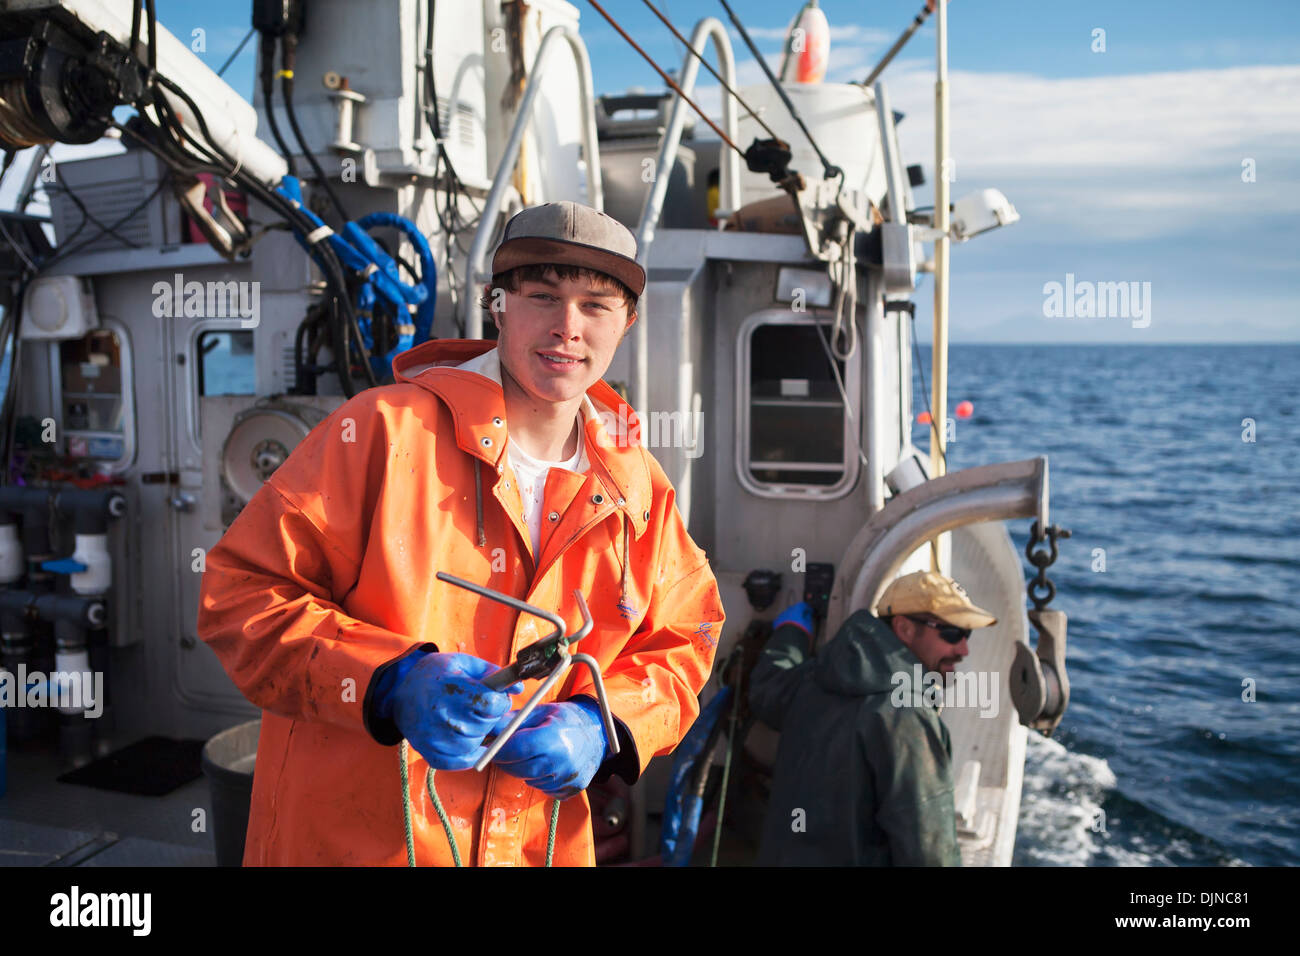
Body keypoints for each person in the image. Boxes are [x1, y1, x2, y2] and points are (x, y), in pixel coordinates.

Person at [197, 201, 725, 866]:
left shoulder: (636, 482)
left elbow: (686, 634)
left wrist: (604, 721)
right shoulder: (381, 433)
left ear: (627, 322)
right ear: (497, 305)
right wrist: (387, 683)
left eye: (596, 305)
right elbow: (239, 596)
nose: (568, 327)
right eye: (542, 296)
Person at [748, 570, 996, 866]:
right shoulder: (907, 718)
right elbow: (929, 851)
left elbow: (768, 690)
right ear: (904, 628)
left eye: (967, 634)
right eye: (952, 634)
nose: (963, 649)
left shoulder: (816, 676)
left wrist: (791, 633)